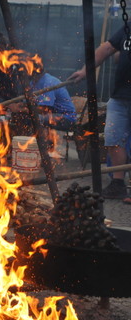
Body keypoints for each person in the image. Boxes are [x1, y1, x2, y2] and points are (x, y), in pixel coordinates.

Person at [68, 22, 131, 202]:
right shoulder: (128, 27)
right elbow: (107, 48)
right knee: (113, 139)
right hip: (119, 97)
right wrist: (85, 71)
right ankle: (118, 184)